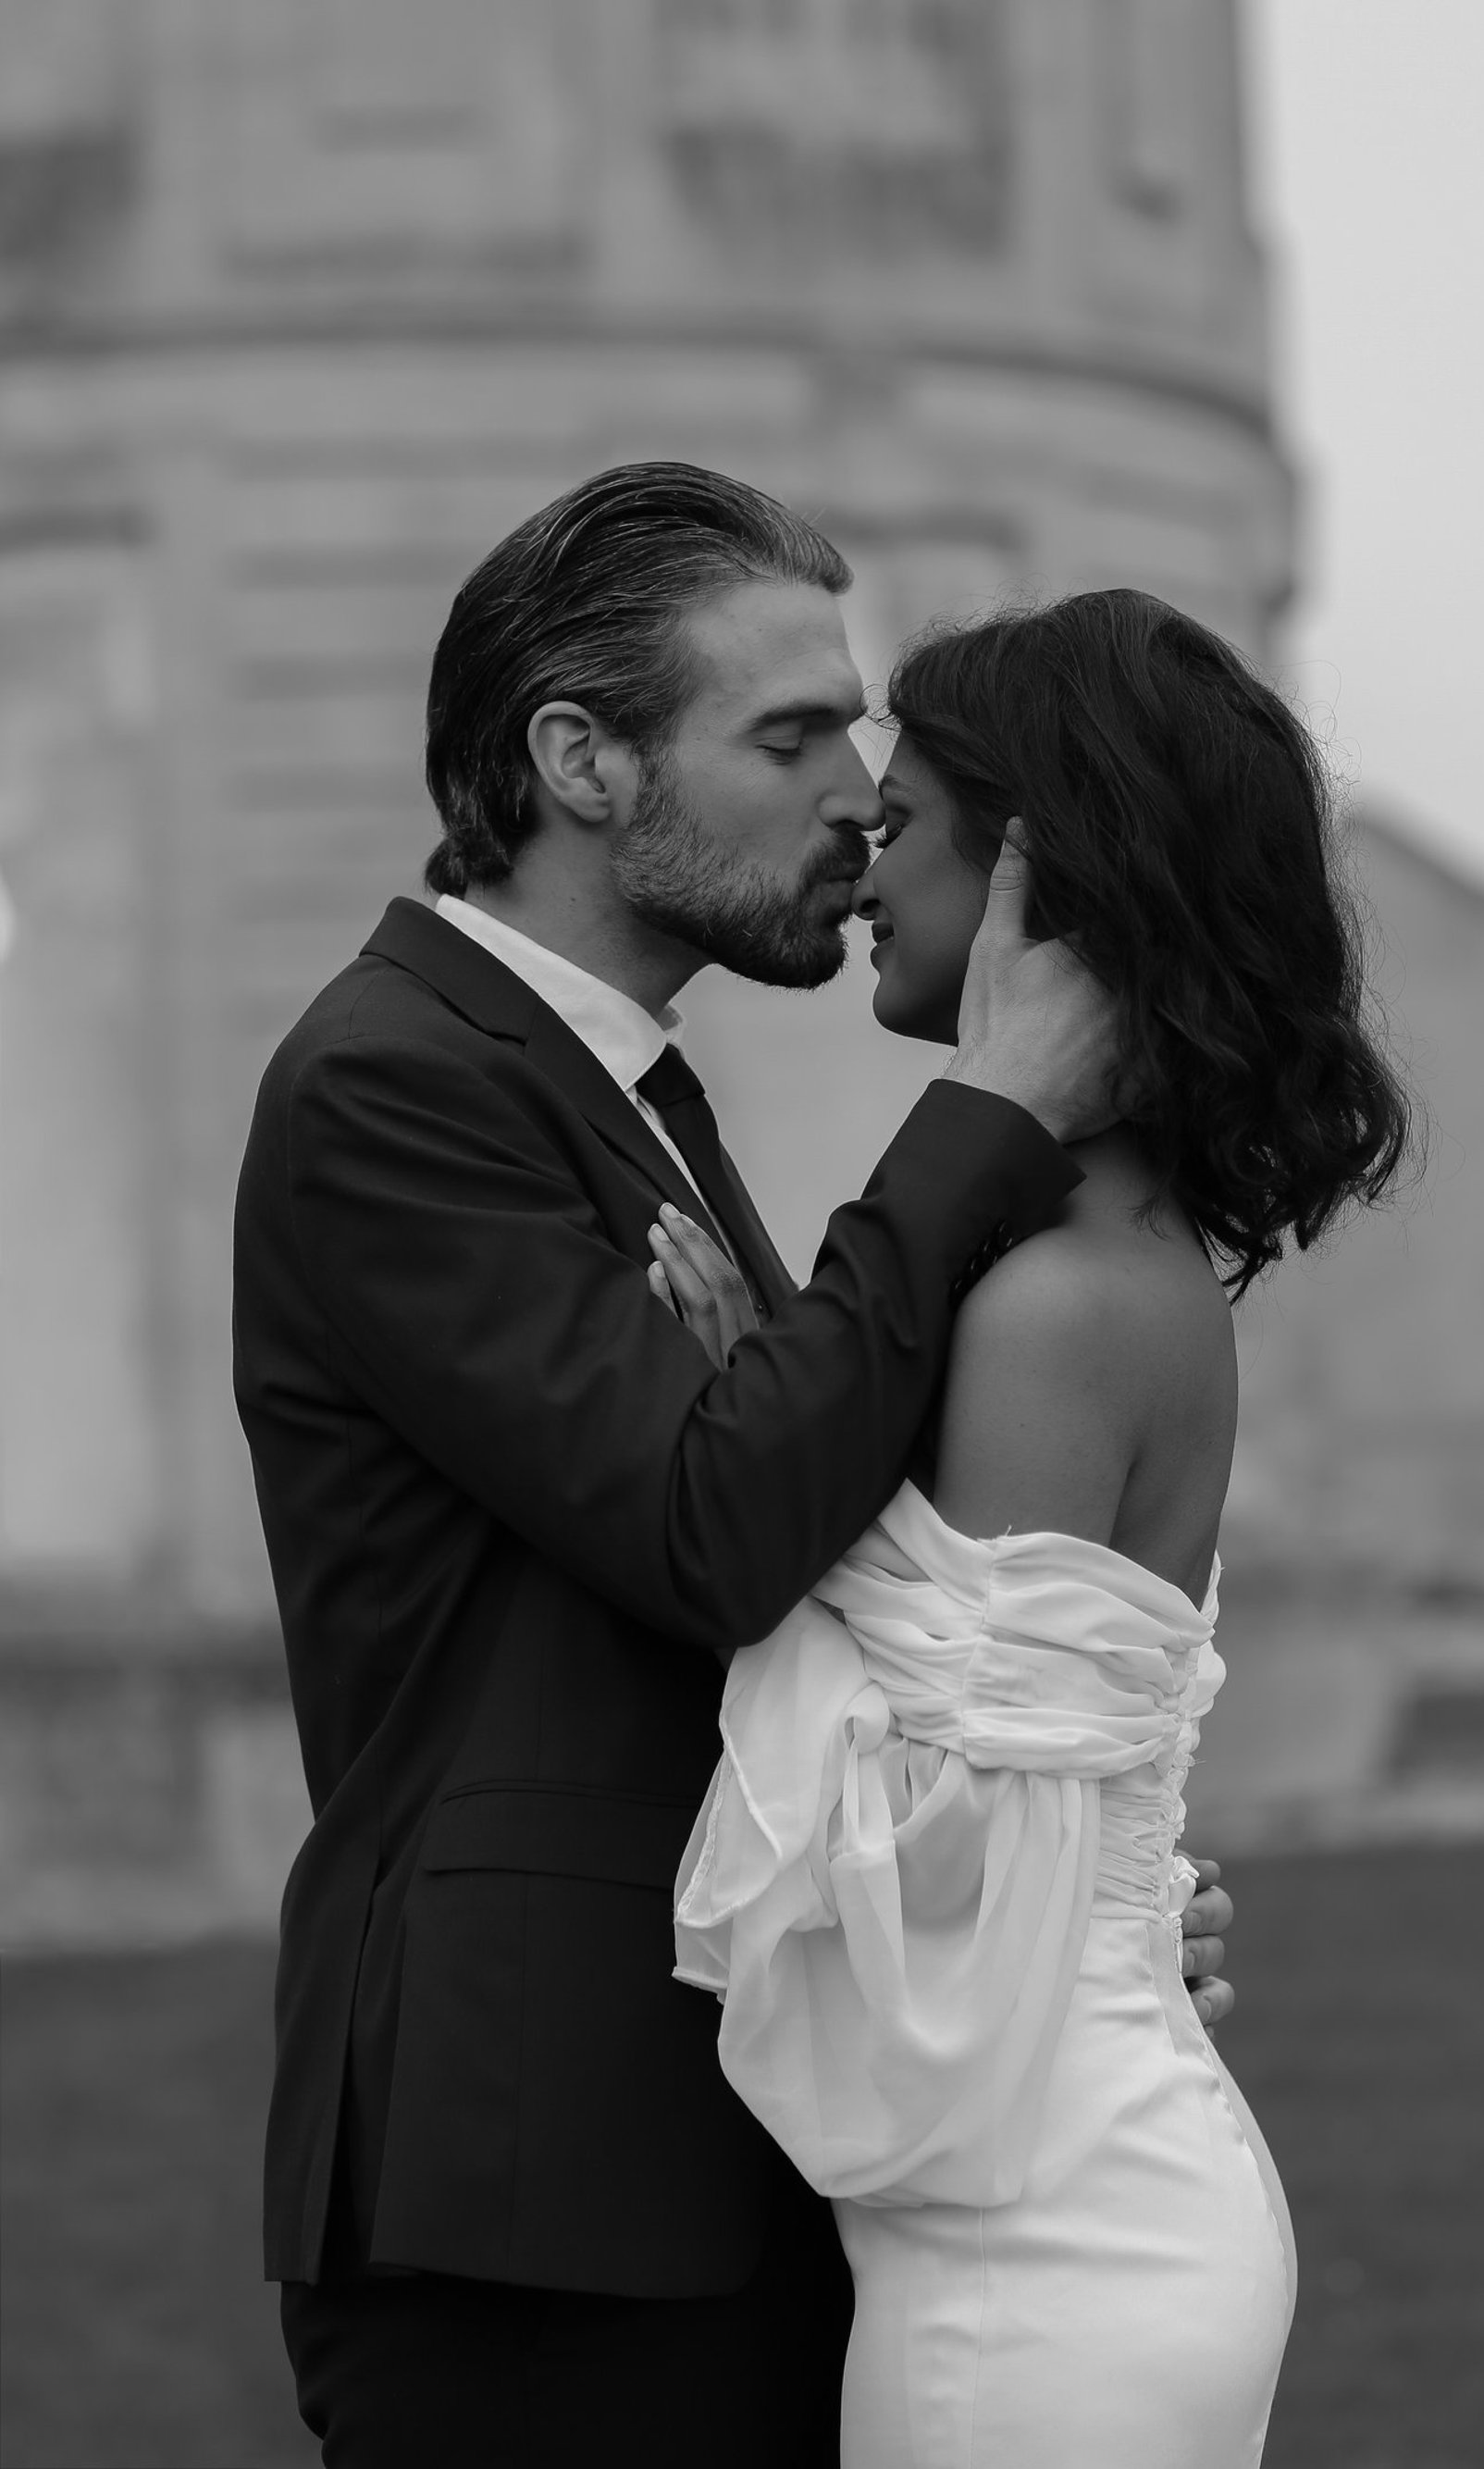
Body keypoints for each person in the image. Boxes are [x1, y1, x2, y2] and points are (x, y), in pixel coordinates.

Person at [234, 465, 1239, 2469]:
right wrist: (986, 1112)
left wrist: (1064, 1895)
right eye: (789, 737)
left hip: (725, 2137)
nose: (860, 797)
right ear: (580, 761)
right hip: (540, 2186)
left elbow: (824, 1572)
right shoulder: (391, 1080)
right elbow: (715, 1528)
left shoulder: (630, 1093)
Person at [667, 590, 1416, 2466]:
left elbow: (928, 1874)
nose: (862, 859)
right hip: (1066, 2181)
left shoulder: (1055, 1306)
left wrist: (740, 1437)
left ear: (1036, 880)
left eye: (905, 817)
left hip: (1041, 2252)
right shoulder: (1105, 1259)